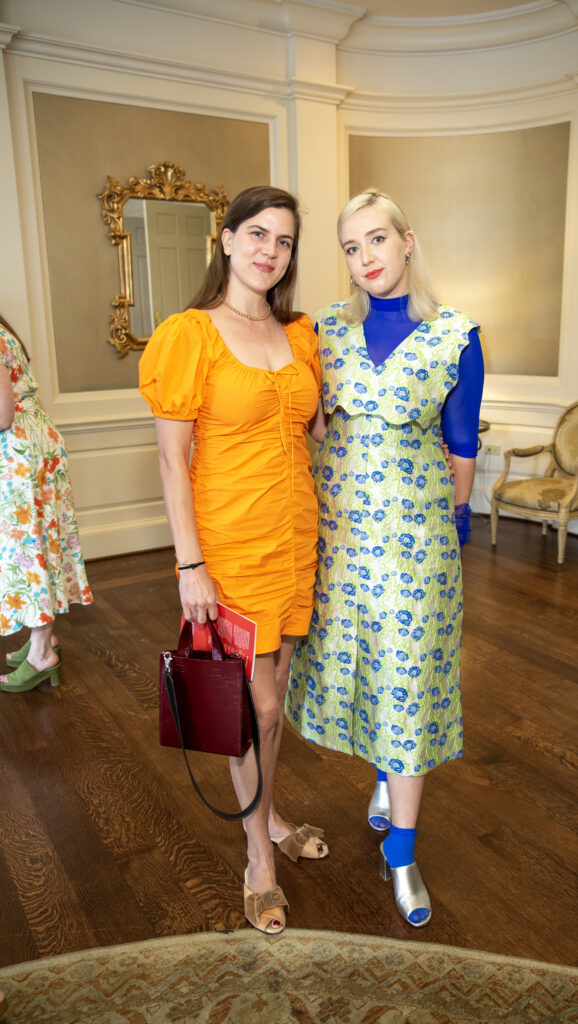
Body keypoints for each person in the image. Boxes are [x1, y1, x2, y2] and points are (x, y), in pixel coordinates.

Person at [286, 189, 484, 927]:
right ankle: (380, 776)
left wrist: (452, 522)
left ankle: (400, 851)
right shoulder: (323, 331)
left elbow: (462, 448)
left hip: (417, 548)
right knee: (364, 665)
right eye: (349, 247)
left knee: (407, 674)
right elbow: (302, 423)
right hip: (338, 542)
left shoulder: (456, 337)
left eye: (376, 239)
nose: (365, 257)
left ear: (407, 240)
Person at [139, 185, 328, 937]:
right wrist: (191, 566)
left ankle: (271, 812)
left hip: (296, 540)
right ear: (224, 240)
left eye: (282, 241)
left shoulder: (301, 334)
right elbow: (168, 457)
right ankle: (259, 858)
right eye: (255, 234)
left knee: (273, 697)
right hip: (229, 544)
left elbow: (316, 432)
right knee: (261, 708)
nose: (268, 251)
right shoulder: (190, 334)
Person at [0, 315, 92, 692]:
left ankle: (41, 654)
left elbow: (2, 414)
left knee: (28, 551)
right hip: (39, 440)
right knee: (43, 544)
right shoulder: (3, 327)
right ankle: (44, 639)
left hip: (19, 451)